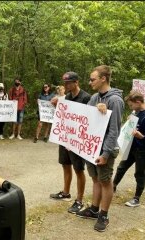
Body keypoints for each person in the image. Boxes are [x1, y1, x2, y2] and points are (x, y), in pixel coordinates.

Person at [76, 65, 124, 232]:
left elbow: (114, 130)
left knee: (105, 181)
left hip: (105, 150)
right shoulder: (95, 97)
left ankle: (104, 215)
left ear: (103, 78)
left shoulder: (115, 100)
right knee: (96, 179)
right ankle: (94, 209)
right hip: (91, 147)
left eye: (92, 79)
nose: (90, 82)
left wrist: (105, 153)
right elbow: (84, 118)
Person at [49, 72, 91, 215]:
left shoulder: (86, 97)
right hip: (65, 137)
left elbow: (89, 121)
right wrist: (56, 106)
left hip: (77, 141)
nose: (65, 85)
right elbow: (64, 116)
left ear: (76, 82)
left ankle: (79, 200)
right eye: (65, 83)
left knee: (79, 169)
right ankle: (66, 192)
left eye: (68, 83)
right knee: (65, 165)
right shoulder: (66, 97)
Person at [112, 91, 145, 207]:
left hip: (143, 150)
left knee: (139, 173)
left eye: (131, 105)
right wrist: (130, 119)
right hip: (131, 147)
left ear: (138, 102)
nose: (131, 108)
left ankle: (136, 198)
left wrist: (142, 136)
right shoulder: (136, 111)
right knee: (121, 167)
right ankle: (113, 186)